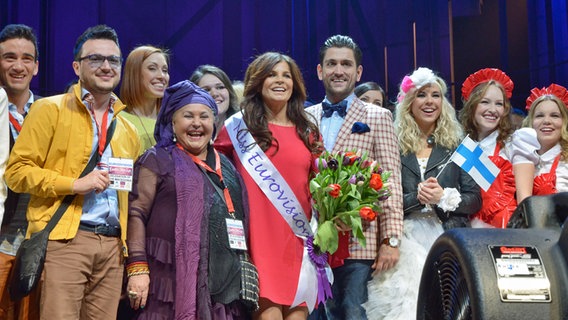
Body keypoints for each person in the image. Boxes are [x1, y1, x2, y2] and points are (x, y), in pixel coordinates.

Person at [5, 25, 140, 319]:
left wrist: (129, 255)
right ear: (77, 66)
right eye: (96, 59)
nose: (106, 66)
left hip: (113, 247)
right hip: (66, 240)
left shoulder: (129, 128)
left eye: (113, 60)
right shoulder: (48, 109)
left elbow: (129, 195)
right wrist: (73, 184)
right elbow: (16, 172)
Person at [125, 80, 251, 319]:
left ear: (213, 123)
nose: (196, 124)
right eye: (188, 116)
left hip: (221, 285)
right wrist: (137, 267)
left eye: (204, 116)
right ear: (173, 123)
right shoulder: (157, 159)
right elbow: (136, 213)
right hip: (169, 279)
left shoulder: (227, 166)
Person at [364, 67, 481, 319]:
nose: (429, 101)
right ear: (408, 103)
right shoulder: (390, 142)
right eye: (421, 95)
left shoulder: (462, 143)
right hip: (402, 238)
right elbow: (379, 196)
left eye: (436, 95)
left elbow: (475, 200)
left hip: (449, 239)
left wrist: (443, 197)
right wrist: (415, 198)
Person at [215, 52, 323, 320]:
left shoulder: (308, 130)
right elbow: (215, 179)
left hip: (298, 242)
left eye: (286, 75)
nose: (280, 80)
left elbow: (321, 187)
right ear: (258, 82)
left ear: (295, 84)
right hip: (257, 240)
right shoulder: (237, 128)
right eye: (272, 74)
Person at [304, 35, 403, 320]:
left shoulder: (378, 116)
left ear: (358, 73)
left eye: (346, 64)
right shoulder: (304, 117)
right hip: (312, 242)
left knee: (352, 313)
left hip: (360, 243)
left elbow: (391, 182)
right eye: (331, 63)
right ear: (320, 71)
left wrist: (391, 239)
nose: (339, 70)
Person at [0, 23, 41, 320]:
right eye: (9, 57)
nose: (18, 66)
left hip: (37, 241)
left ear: (36, 66)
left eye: (27, 58)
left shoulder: (50, 113)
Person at [459, 68, 516, 228]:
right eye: (485, 102)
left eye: (499, 104)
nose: (493, 110)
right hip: (466, 230)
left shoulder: (513, 144)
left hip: (505, 229)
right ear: (472, 105)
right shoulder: (460, 145)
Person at [512, 84, 568, 202]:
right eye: (539, 116)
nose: (546, 121)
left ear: (564, 122)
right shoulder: (515, 159)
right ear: (531, 122)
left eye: (554, 115)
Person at [120, 45, 170, 155]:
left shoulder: (172, 122)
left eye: (165, 70)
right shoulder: (118, 121)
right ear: (134, 73)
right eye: (152, 68)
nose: (162, 76)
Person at [190, 65, 239, 133]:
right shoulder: (189, 132)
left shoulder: (244, 127)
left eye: (220, 87)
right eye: (206, 90)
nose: (214, 94)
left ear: (229, 92)